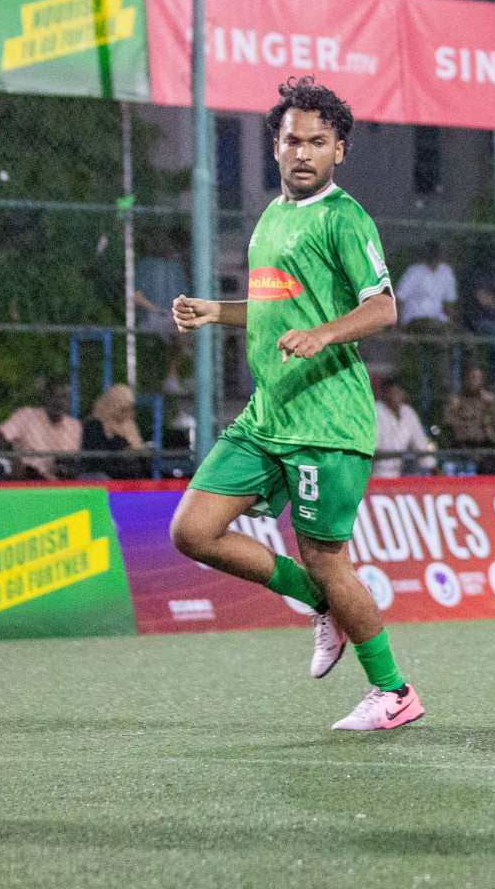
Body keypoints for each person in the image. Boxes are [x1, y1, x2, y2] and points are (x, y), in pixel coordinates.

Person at [168, 77, 423, 731]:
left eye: (317, 141)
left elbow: (384, 306)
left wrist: (323, 334)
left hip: (326, 423)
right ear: (275, 148)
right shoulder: (273, 217)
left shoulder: (345, 217)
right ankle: (320, 602)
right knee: (192, 531)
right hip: (266, 417)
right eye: (291, 140)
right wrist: (214, 312)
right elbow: (280, 308)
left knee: (328, 559)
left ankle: (394, 692)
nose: (303, 151)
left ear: (340, 149)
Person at [0, 380, 82, 481]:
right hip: (26, 482)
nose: (59, 402)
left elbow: (74, 462)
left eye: (64, 397)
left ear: (69, 400)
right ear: (46, 397)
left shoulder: (74, 426)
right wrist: (14, 457)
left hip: (59, 486)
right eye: (55, 396)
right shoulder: (25, 416)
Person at [82, 383, 150, 479]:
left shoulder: (130, 426)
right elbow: (97, 460)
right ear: (113, 406)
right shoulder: (95, 425)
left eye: (130, 409)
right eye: (123, 409)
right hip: (108, 481)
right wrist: (124, 455)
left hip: (135, 481)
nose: (128, 414)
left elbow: (144, 460)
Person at [441, 367, 495, 472]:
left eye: (478, 378)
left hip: (483, 445)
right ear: (466, 380)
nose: (475, 381)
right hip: (462, 445)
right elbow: (449, 424)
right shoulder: (457, 401)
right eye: (472, 378)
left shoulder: (488, 400)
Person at [374, 378, 434, 478]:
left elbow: (421, 443)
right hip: (376, 475)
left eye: (399, 392)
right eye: (392, 392)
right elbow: (373, 450)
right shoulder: (376, 410)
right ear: (384, 393)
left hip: (401, 475)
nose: (395, 396)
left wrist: (432, 468)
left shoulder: (408, 412)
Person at [395, 240, 457, 327]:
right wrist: (398, 326)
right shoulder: (414, 271)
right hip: (414, 320)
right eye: (431, 253)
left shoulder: (446, 271)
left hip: (437, 320)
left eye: (437, 253)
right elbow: (399, 299)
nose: (434, 256)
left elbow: (450, 302)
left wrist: (451, 324)